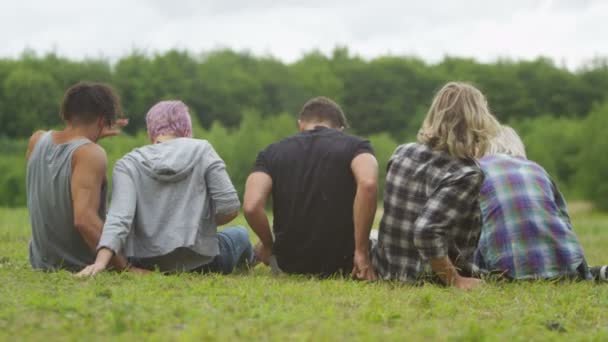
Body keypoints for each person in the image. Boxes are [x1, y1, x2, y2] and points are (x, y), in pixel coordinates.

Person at [77, 101, 253, 276]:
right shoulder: (203, 150)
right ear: (187, 130)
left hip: (145, 264)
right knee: (241, 233)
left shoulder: (128, 163)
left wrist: (101, 262)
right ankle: (252, 261)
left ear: (150, 133)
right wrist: (197, 226)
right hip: (205, 263)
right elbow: (230, 207)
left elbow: (119, 218)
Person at [372, 82, 500, 289]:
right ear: (478, 120)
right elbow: (426, 231)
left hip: (386, 269)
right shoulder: (466, 173)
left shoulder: (401, 152)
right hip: (427, 277)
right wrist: (455, 280)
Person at [243, 96, 378, 279]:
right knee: (378, 236)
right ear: (340, 128)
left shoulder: (270, 153)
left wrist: (268, 245)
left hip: (288, 263)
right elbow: (368, 184)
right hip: (345, 263)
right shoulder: (357, 146)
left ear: (300, 124)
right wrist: (361, 251)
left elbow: (251, 206)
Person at [474, 125, 608, 282]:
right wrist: (584, 272)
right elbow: (564, 220)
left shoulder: (477, 170)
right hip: (563, 267)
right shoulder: (537, 169)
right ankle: (595, 272)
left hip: (505, 273)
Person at [26, 82, 132, 272]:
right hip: (77, 263)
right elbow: (84, 220)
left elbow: (57, 165)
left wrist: (91, 137)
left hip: (40, 261)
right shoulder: (90, 153)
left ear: (66, 113)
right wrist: (125, 268)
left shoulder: (37, 140)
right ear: (102, 121)